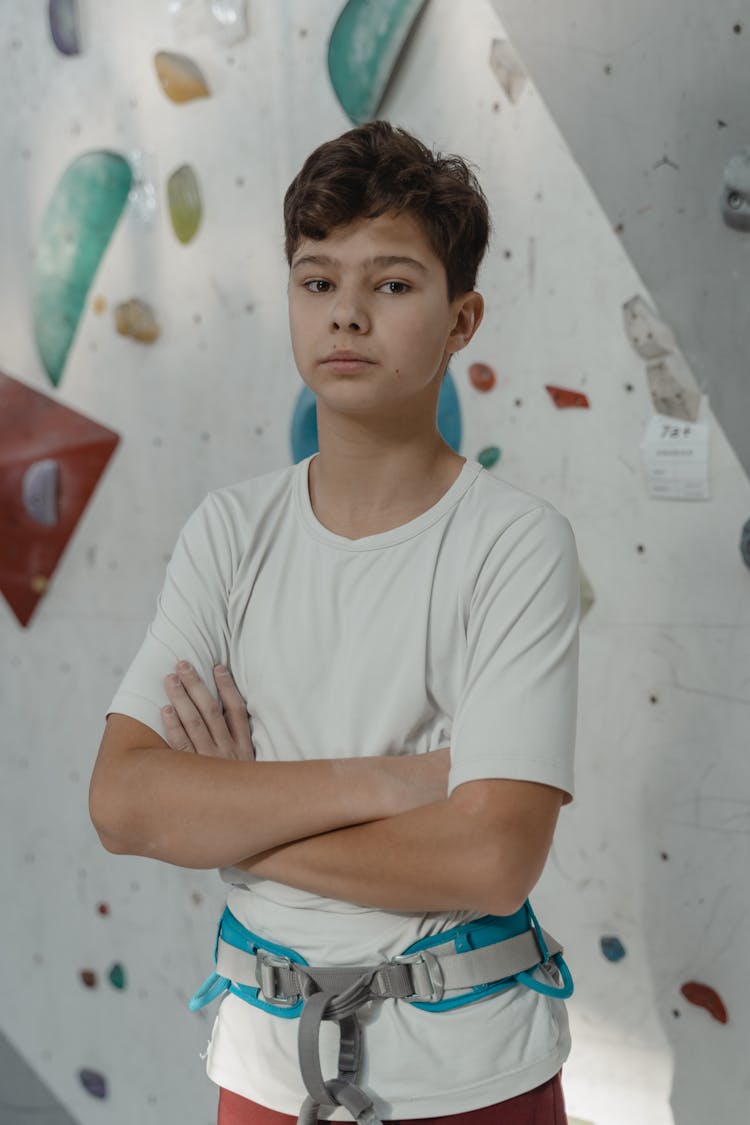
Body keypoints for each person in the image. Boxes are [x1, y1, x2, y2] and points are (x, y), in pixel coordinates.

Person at [89, 120, 580, 1125]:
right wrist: (401, 786)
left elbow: (491, 863)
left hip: (470, 1073)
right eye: (317, 282)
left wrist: (231, 814)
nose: (347, 313)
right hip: (265, 1068)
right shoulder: (229, 532)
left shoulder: (515, 544)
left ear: (462, 318)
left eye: (393, 284)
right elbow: (125, 805)